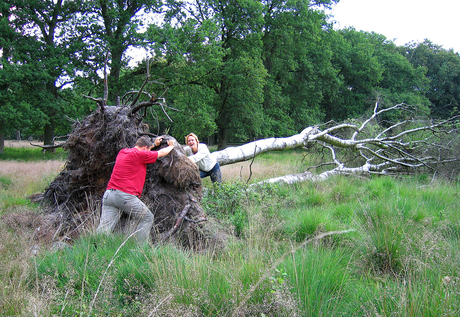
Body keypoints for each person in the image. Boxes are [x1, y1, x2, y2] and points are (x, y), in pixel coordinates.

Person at [96, 136, 174, 244]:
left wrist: (154, 144)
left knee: (105, 228)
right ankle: (139, 248)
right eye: (149, 149)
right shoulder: (140, 155)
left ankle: (94, 249)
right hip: (124, 196)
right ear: (146, 148)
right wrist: (171, 146)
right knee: (147, 217)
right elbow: (161, 153)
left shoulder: (123, 152)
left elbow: (143, 151)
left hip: (109, 195)